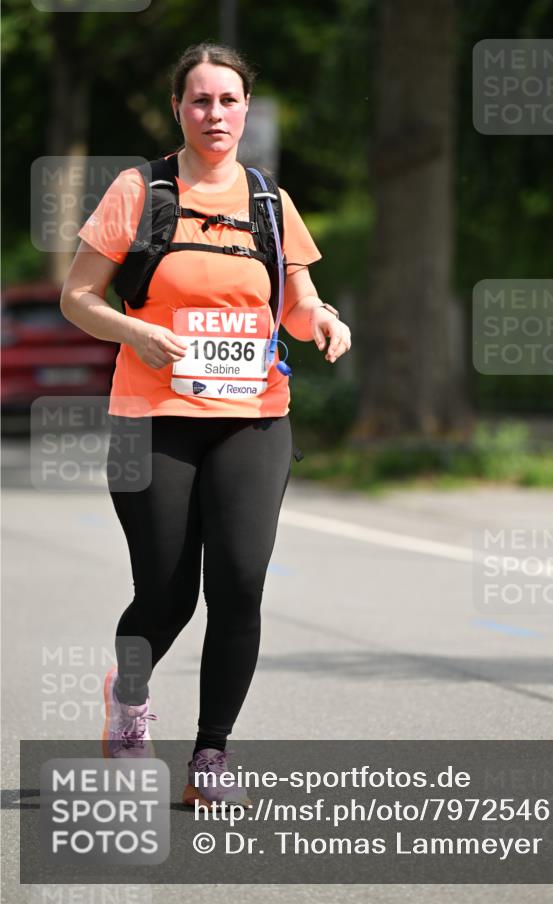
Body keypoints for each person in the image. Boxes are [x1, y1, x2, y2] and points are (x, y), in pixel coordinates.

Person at [60, 41, 352, 807]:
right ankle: (128, 700)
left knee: (240, 585)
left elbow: (294, 298)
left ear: (245, 109)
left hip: (253, 418)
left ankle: (210, 758)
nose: (214, 113)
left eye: (227, 100)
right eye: (199, 100)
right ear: (178, 109)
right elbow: (78, 297)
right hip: (152, 416)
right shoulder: (140, 189)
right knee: (165, 596)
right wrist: (137, 333)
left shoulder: (267, 201)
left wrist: (320, 318)